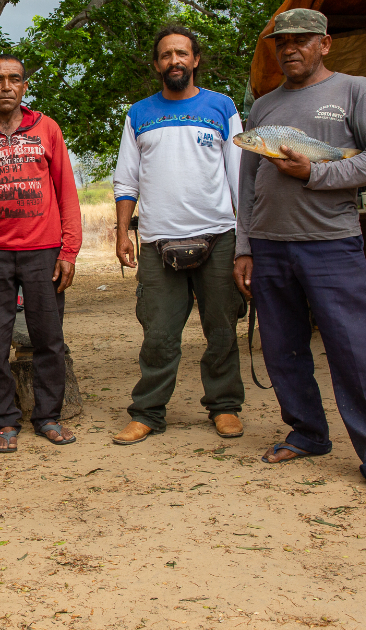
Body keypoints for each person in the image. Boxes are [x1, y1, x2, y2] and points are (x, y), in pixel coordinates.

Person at [233, 8, 366, 502]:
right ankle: (307, 434)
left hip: (331, 245)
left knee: (356, 352)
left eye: (301, 41)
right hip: (269, 246)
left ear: (324, 44)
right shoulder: (264, 105)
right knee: (283, 350)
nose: (289, 49)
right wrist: (245, 246)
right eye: (281, 42)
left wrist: (316, 174)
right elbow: (248, 181)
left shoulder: (355, 91)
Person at [111, 26, 246, 446]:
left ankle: (224, 406)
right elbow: (126, 180)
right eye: (167, 55)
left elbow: (240, 178)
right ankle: (148, 412)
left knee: (222, 327)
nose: (175, 61)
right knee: (158, 334)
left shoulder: (222, 107)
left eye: (182, 53)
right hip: (157, 241)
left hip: (219, 236)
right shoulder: (138, 114)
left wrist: (248, 241)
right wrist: (122, 233)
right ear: (157, 65)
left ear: (195, 59)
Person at [0, 54, 82, 452]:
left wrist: (69, 250)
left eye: (14, 80)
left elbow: (67, 192)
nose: (6, 87)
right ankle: (4, 420)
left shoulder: (47, 129)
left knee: (49, 339)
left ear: (24, 86)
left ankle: (47, 416)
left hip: (43, 250)